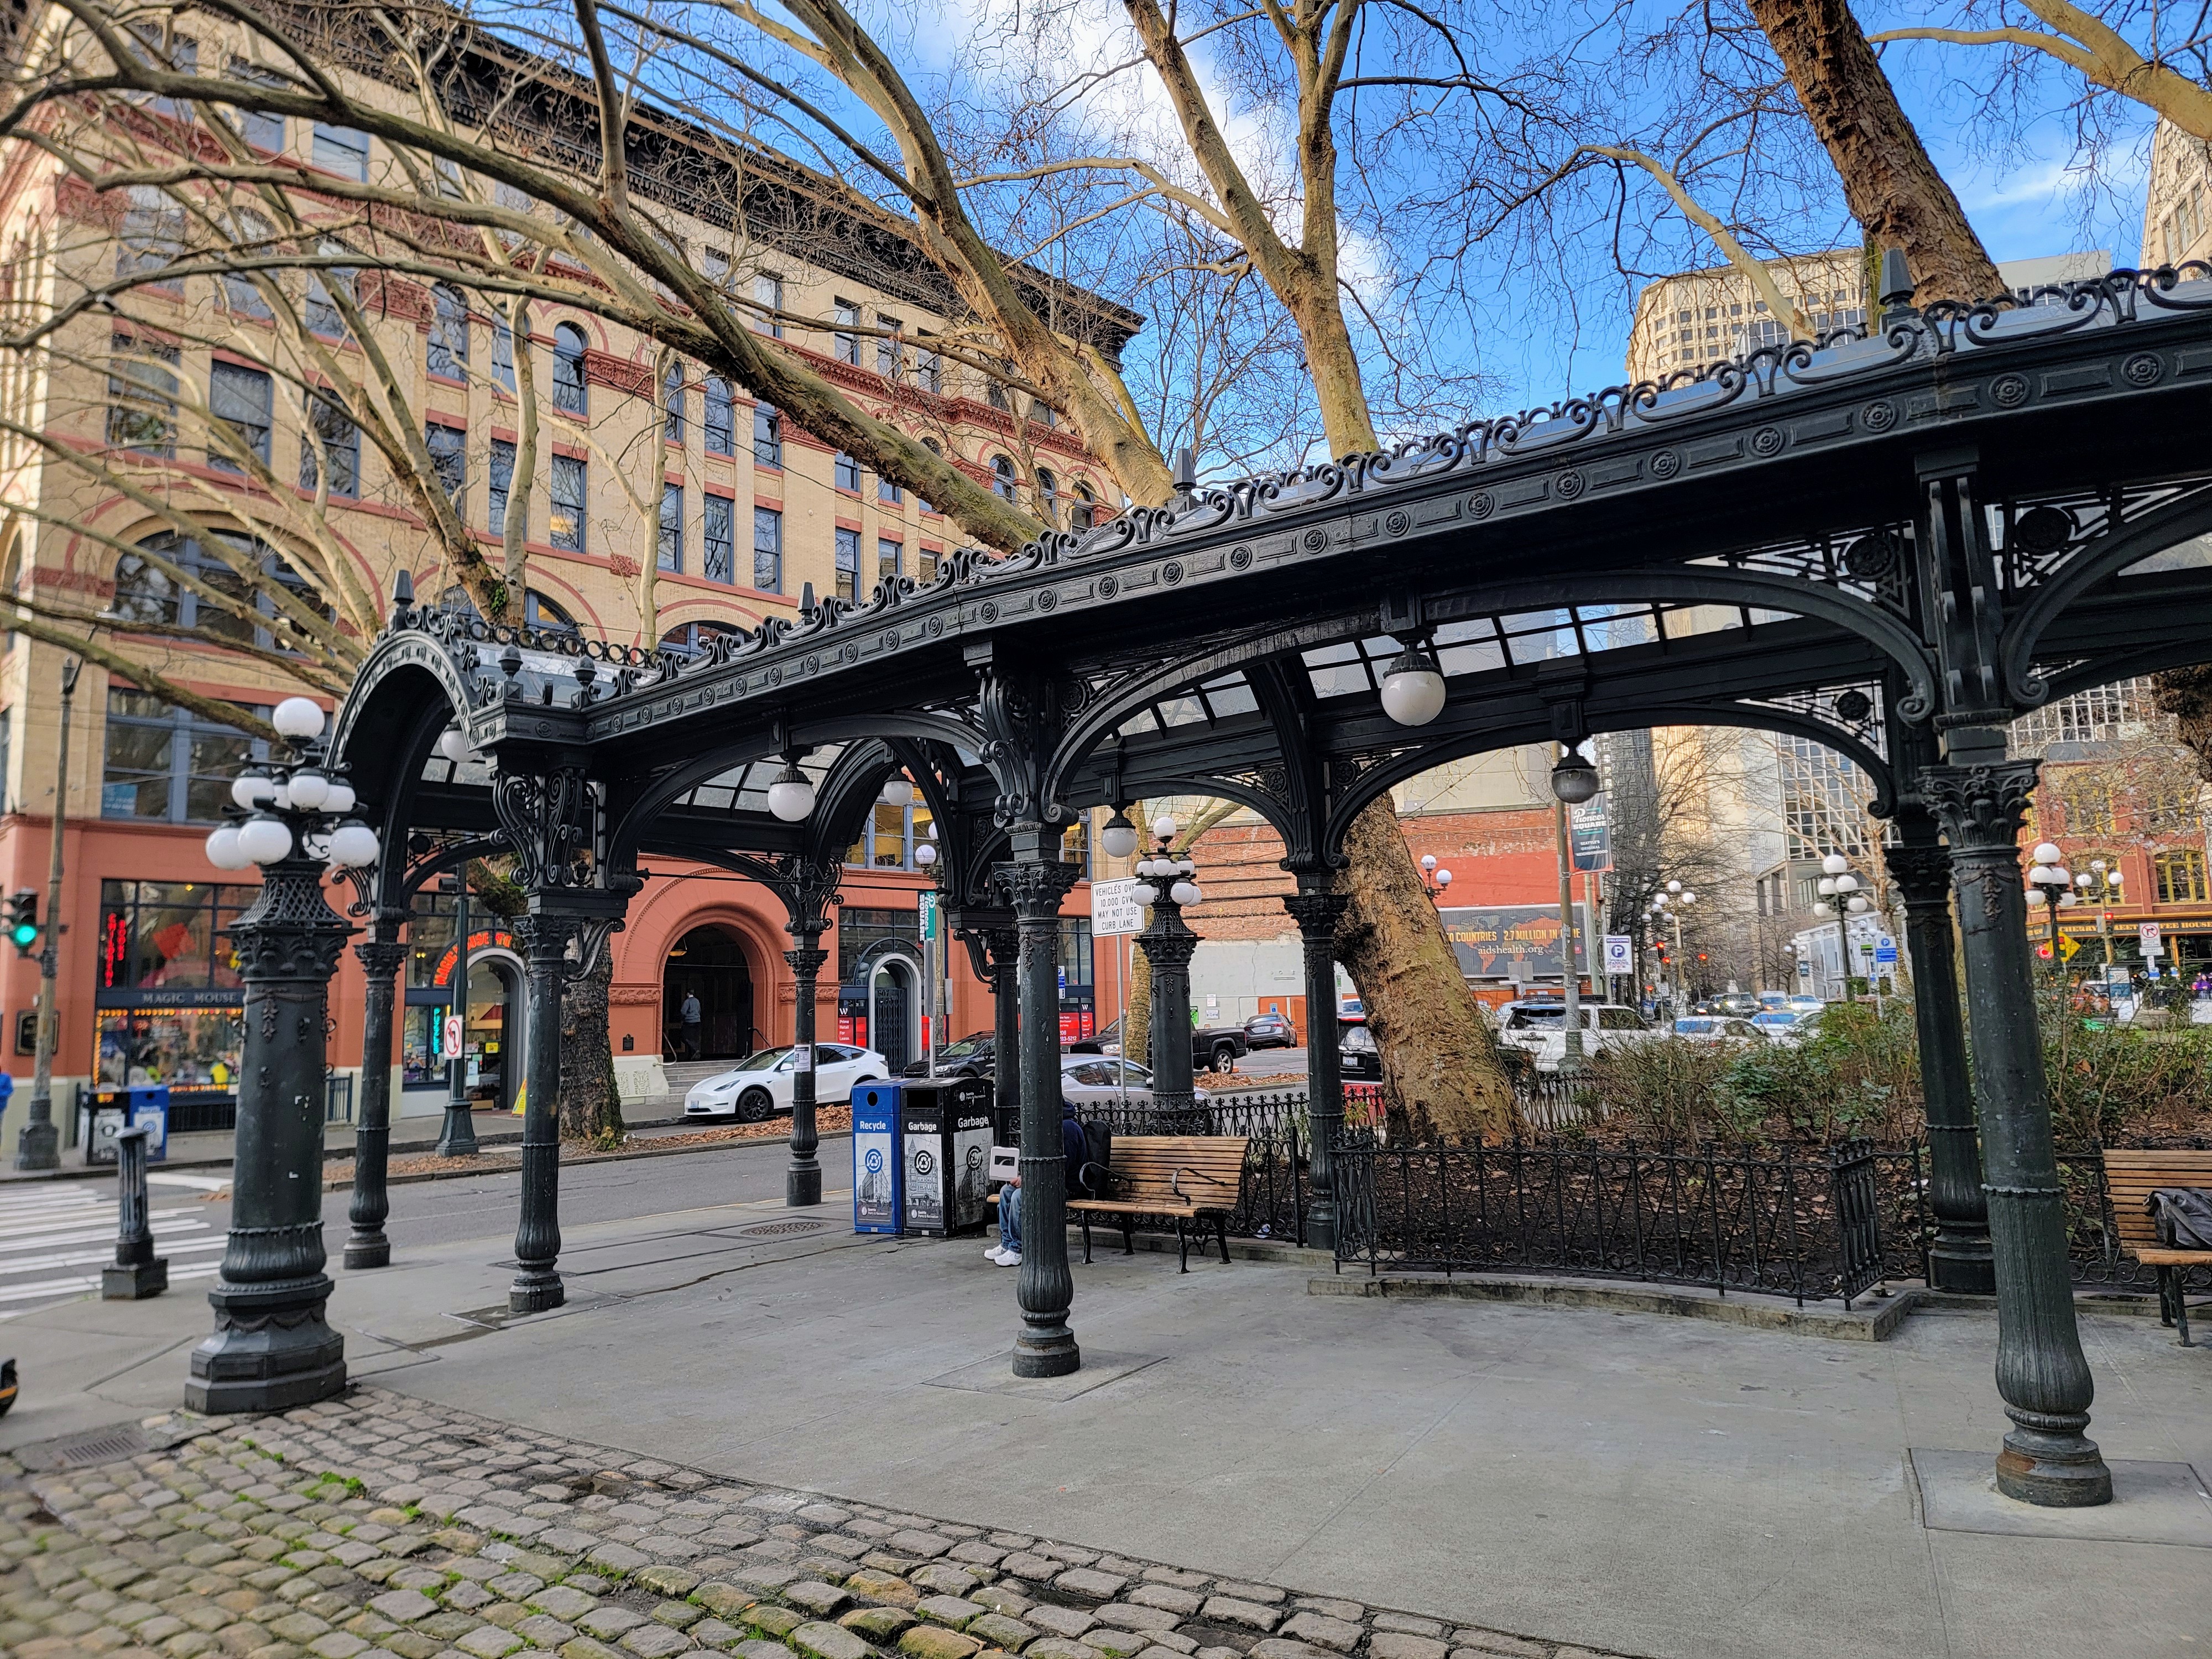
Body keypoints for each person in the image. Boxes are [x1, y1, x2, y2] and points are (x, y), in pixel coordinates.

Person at [987, 1097, 1090, 1267]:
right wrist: (1023, 1176)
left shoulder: (1068, 1128)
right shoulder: (1049, 1127)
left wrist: (1028, 1180)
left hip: (1067, 1186)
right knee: (1007, 1192)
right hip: (1045, 1180)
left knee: (1020, 1196)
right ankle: (1007, 1243)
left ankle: (1018, 1248)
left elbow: (1060, 1168)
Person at [680, 990, 702, 1059]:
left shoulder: (687, 1002)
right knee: (695, 1038)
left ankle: (695, 1049)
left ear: (688, 994)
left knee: (684, 1037)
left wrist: (683, 1018)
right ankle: (693, 1054)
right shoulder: (697, 1001)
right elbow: (699, 1010)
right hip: (697, 1021)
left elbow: (683, 1011)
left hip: (689, 1022)